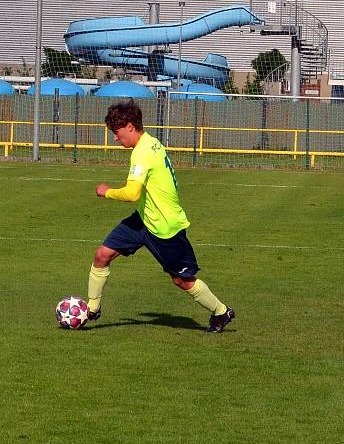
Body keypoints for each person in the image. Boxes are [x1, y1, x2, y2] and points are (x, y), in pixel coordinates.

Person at [86, 100, 234, 333]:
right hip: (144, 219)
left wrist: (106, 192)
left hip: (165, 227)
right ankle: (92, 309)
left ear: (130, 126)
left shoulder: (143, 152)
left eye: (117, 132)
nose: (115, 138)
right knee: (102, 255)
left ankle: (221, 311)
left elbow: (132, 193)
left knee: (182, 281)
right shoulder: (151, 143)